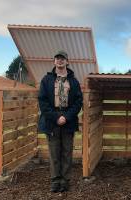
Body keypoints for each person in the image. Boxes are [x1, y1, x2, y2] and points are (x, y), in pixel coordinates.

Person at [38, 50, 83, 192]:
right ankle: (55, 180)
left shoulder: (74, 81)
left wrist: (66, 117)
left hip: (68, 121)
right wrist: (56, 117)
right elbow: (42, 101)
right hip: (51, 120)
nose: (60, 60)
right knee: (54, 152)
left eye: (62, 58)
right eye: (57, 58)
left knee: (67, 152)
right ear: (54, 61)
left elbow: (78, 102)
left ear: (67, 62)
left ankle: (65, 180)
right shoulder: (46, 80)